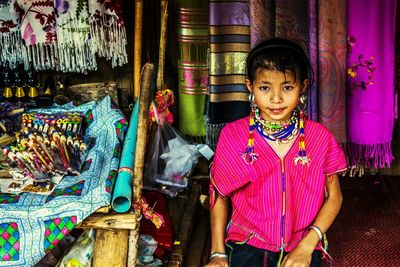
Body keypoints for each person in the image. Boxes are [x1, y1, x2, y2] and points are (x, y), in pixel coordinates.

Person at [205, 38, 347, 267]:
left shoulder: (319, 137)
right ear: (249, 86)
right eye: (264, 87)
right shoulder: (233, 136)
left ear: (303, 86)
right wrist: (217, 254)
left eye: (287, 87)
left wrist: (308, 244)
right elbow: (219, 194)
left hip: (302, 240)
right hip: (250, 240)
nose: (276, 99)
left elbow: (335, 197)